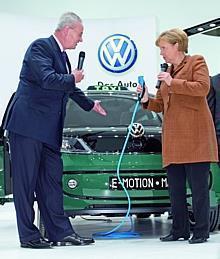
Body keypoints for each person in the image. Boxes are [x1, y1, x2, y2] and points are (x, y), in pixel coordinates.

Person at [4, 12, 107, 249]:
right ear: (67, 30)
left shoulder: (62, 57)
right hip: (28, 128)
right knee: (25, 185)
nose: (80, 40)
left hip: (49, 132)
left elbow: (68, 88)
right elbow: (49, 80)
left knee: (51, 184)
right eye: (80, 34)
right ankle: (29, 237)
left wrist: (90, 104)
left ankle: (60, 233)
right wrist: (72, 78)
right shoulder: (39, 47)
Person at [137, 28, 218, 244]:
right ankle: (179, 230)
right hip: (173, 140)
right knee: (175, 190)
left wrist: (173, 82)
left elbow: (202, 88)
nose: (161, 53)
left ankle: (201, 231)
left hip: (195, 138)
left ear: (177, 46)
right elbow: (162, 104)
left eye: (163, 48)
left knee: (199, 190)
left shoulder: (196, 62)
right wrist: (146, 98)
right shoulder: (168, 71)